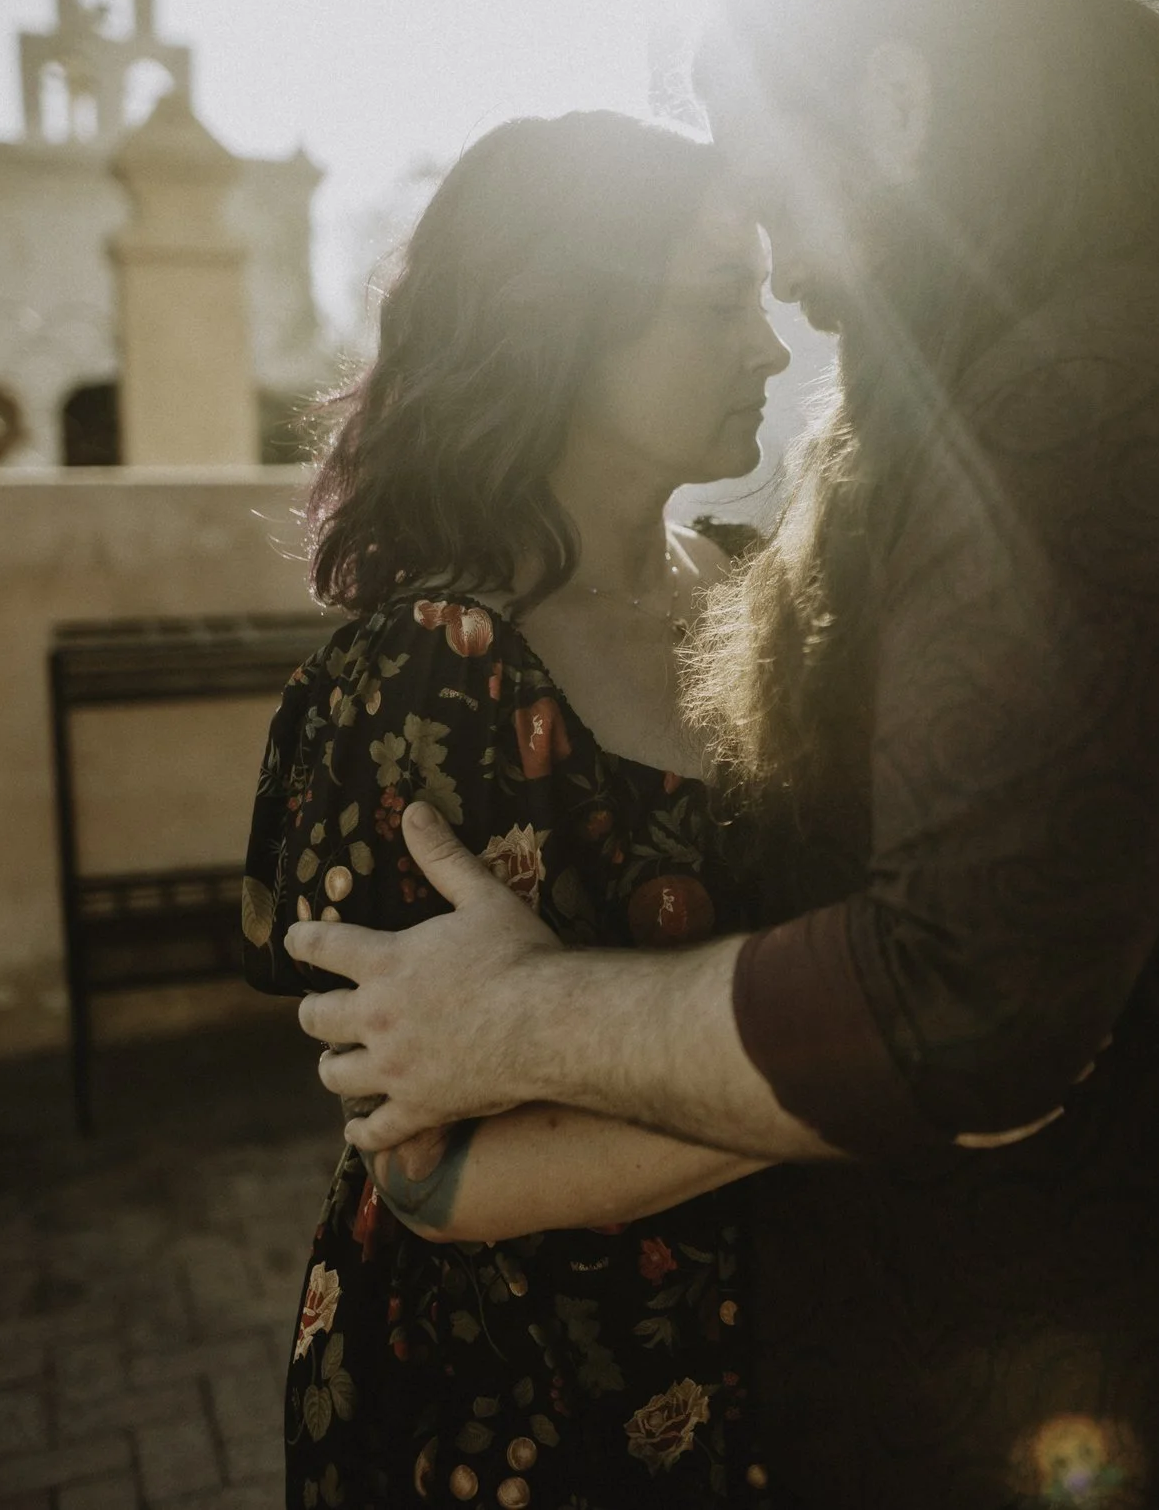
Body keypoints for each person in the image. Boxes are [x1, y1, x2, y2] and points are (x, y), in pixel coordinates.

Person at [289, 0, 1159, 1508]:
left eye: (747, 135)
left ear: (893, 103)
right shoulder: (1022, 380)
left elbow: (960, 1009)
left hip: (1088, 1395)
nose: (750, 216)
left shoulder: (1099, 399)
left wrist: (516, 1014)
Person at [240, 110, 792, 1507]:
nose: (773, 349)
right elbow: (430, 1170)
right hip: (510, 1415)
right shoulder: (420, 680)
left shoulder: (775, 597)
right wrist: (868, 1089)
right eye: (722, 301)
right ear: (562, 325)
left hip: (792, 1374)